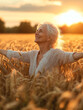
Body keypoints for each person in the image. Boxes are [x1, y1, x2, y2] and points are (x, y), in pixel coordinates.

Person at [0, 22, 83, 76]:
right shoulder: (33, 54)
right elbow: (15, 54)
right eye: (37, 31)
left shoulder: (55, 54)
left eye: (41, 31)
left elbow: (71, 56)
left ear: (49, 38)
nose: (36, 33)